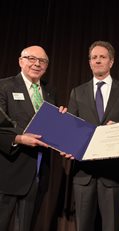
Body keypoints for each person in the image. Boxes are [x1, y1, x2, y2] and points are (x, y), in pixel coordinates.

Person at [63, 40, 119, 231]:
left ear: (111, 62)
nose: (98, 60)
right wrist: (63, 133)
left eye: (102, 57)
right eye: (94, 57)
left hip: (112, 174)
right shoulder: (77, 92)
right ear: (89, 62)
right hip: (83, 175)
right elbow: (71, 129)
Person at [0, 45, 57, 231]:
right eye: (32, 58)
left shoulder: (50, 94)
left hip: (38, 174)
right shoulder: (4, 87)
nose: (37, 64)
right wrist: (19, 138)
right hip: (7, 171)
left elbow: (51, 130)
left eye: (42, 61)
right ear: (20, 61)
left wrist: (61, 122)